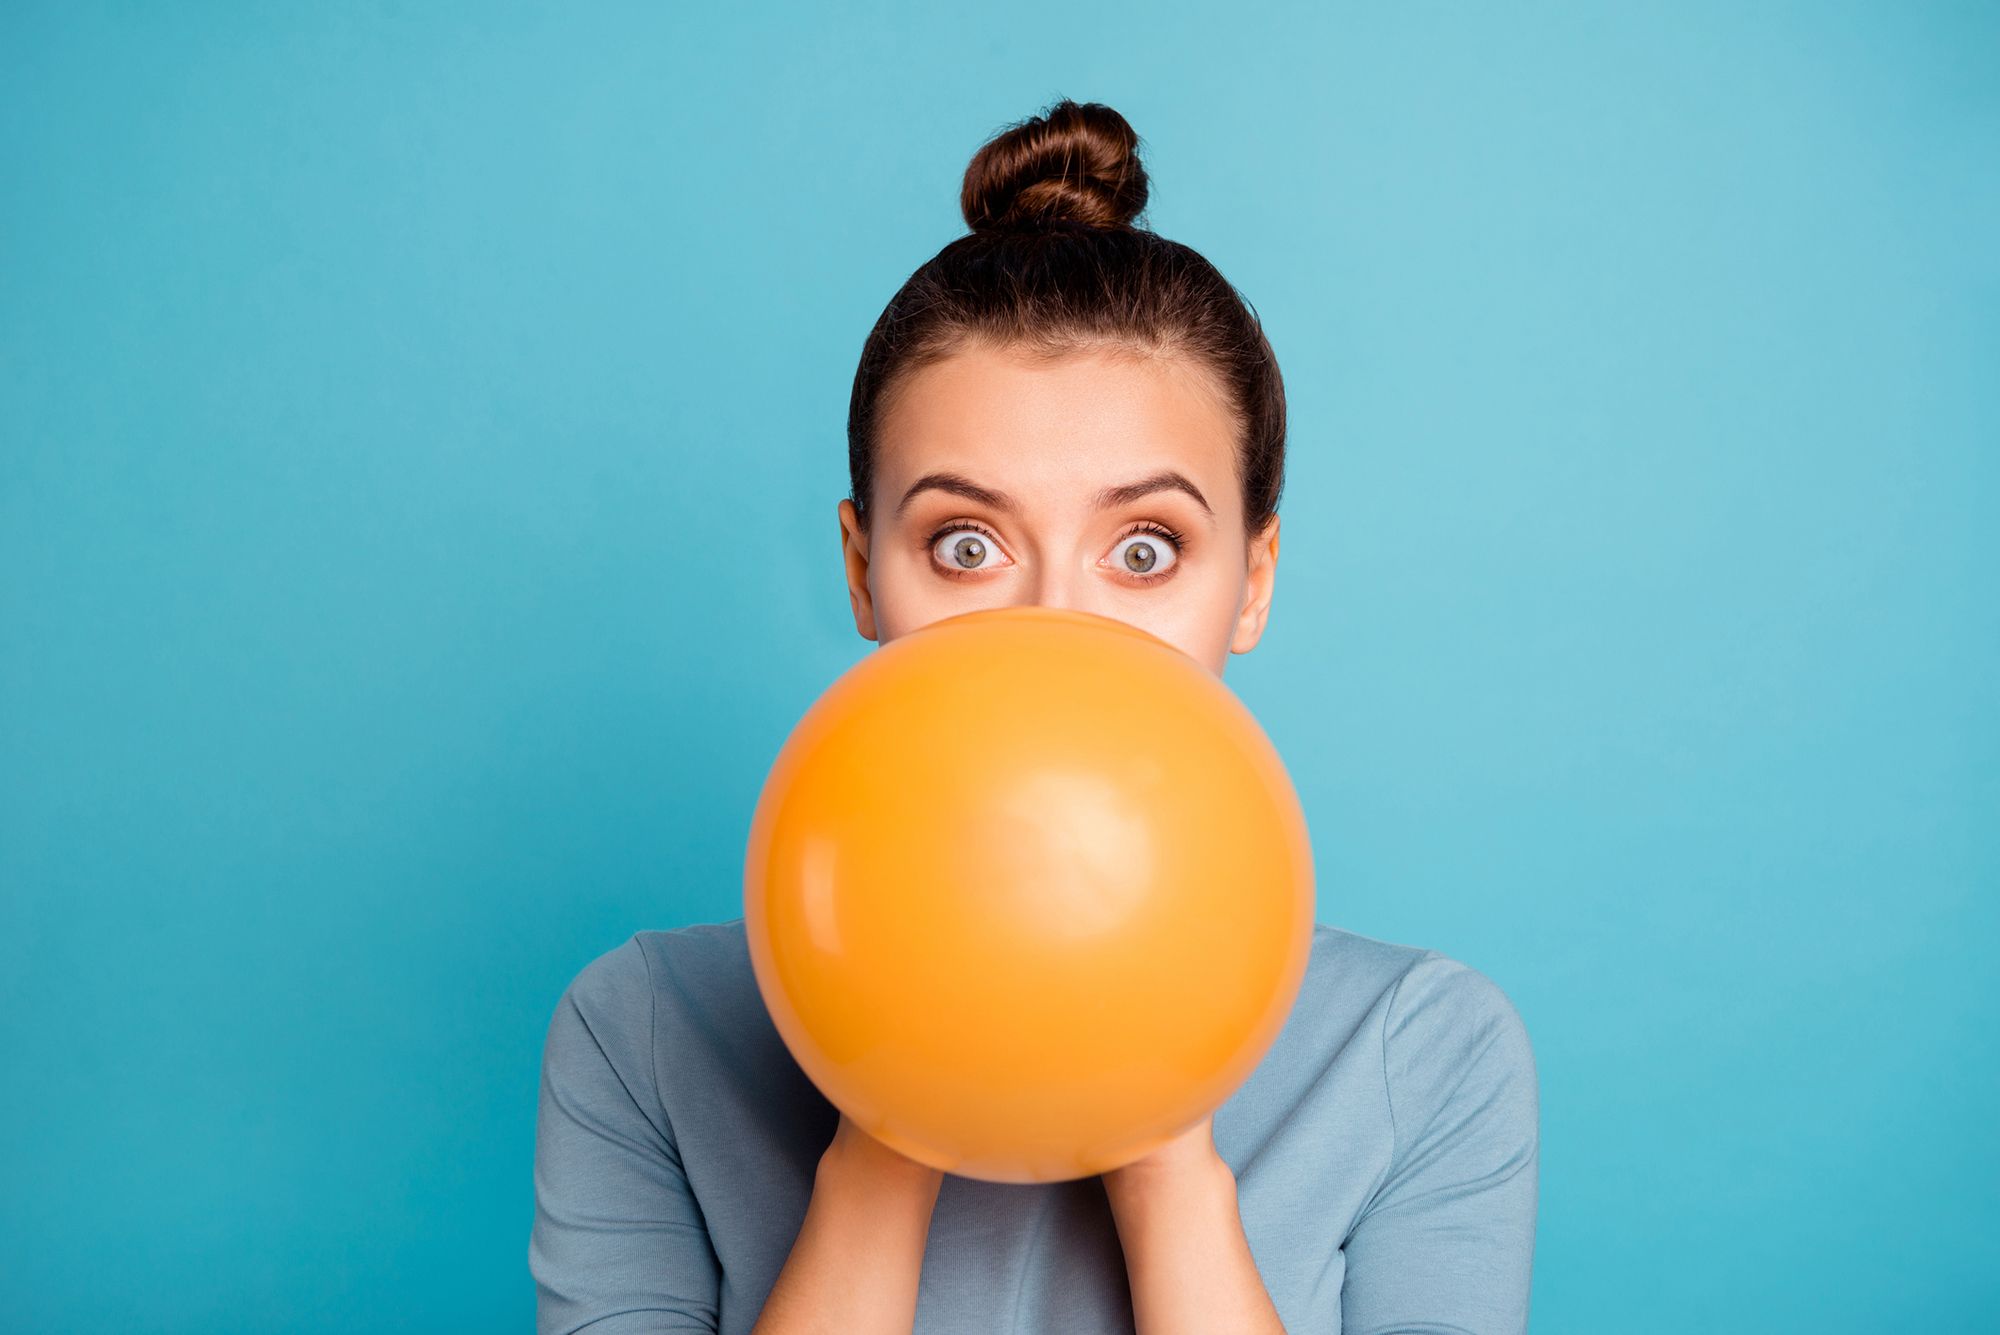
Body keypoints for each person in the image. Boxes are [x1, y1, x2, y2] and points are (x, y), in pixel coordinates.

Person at [530, 97, 1538, 1335]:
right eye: (964, 544)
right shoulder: (643, 1033)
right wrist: (890, 1092)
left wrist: (1167, 1139)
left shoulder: (1417, 1053)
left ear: (1252, 583)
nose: (1051, 633)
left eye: (1144, 549)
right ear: (861, 572)